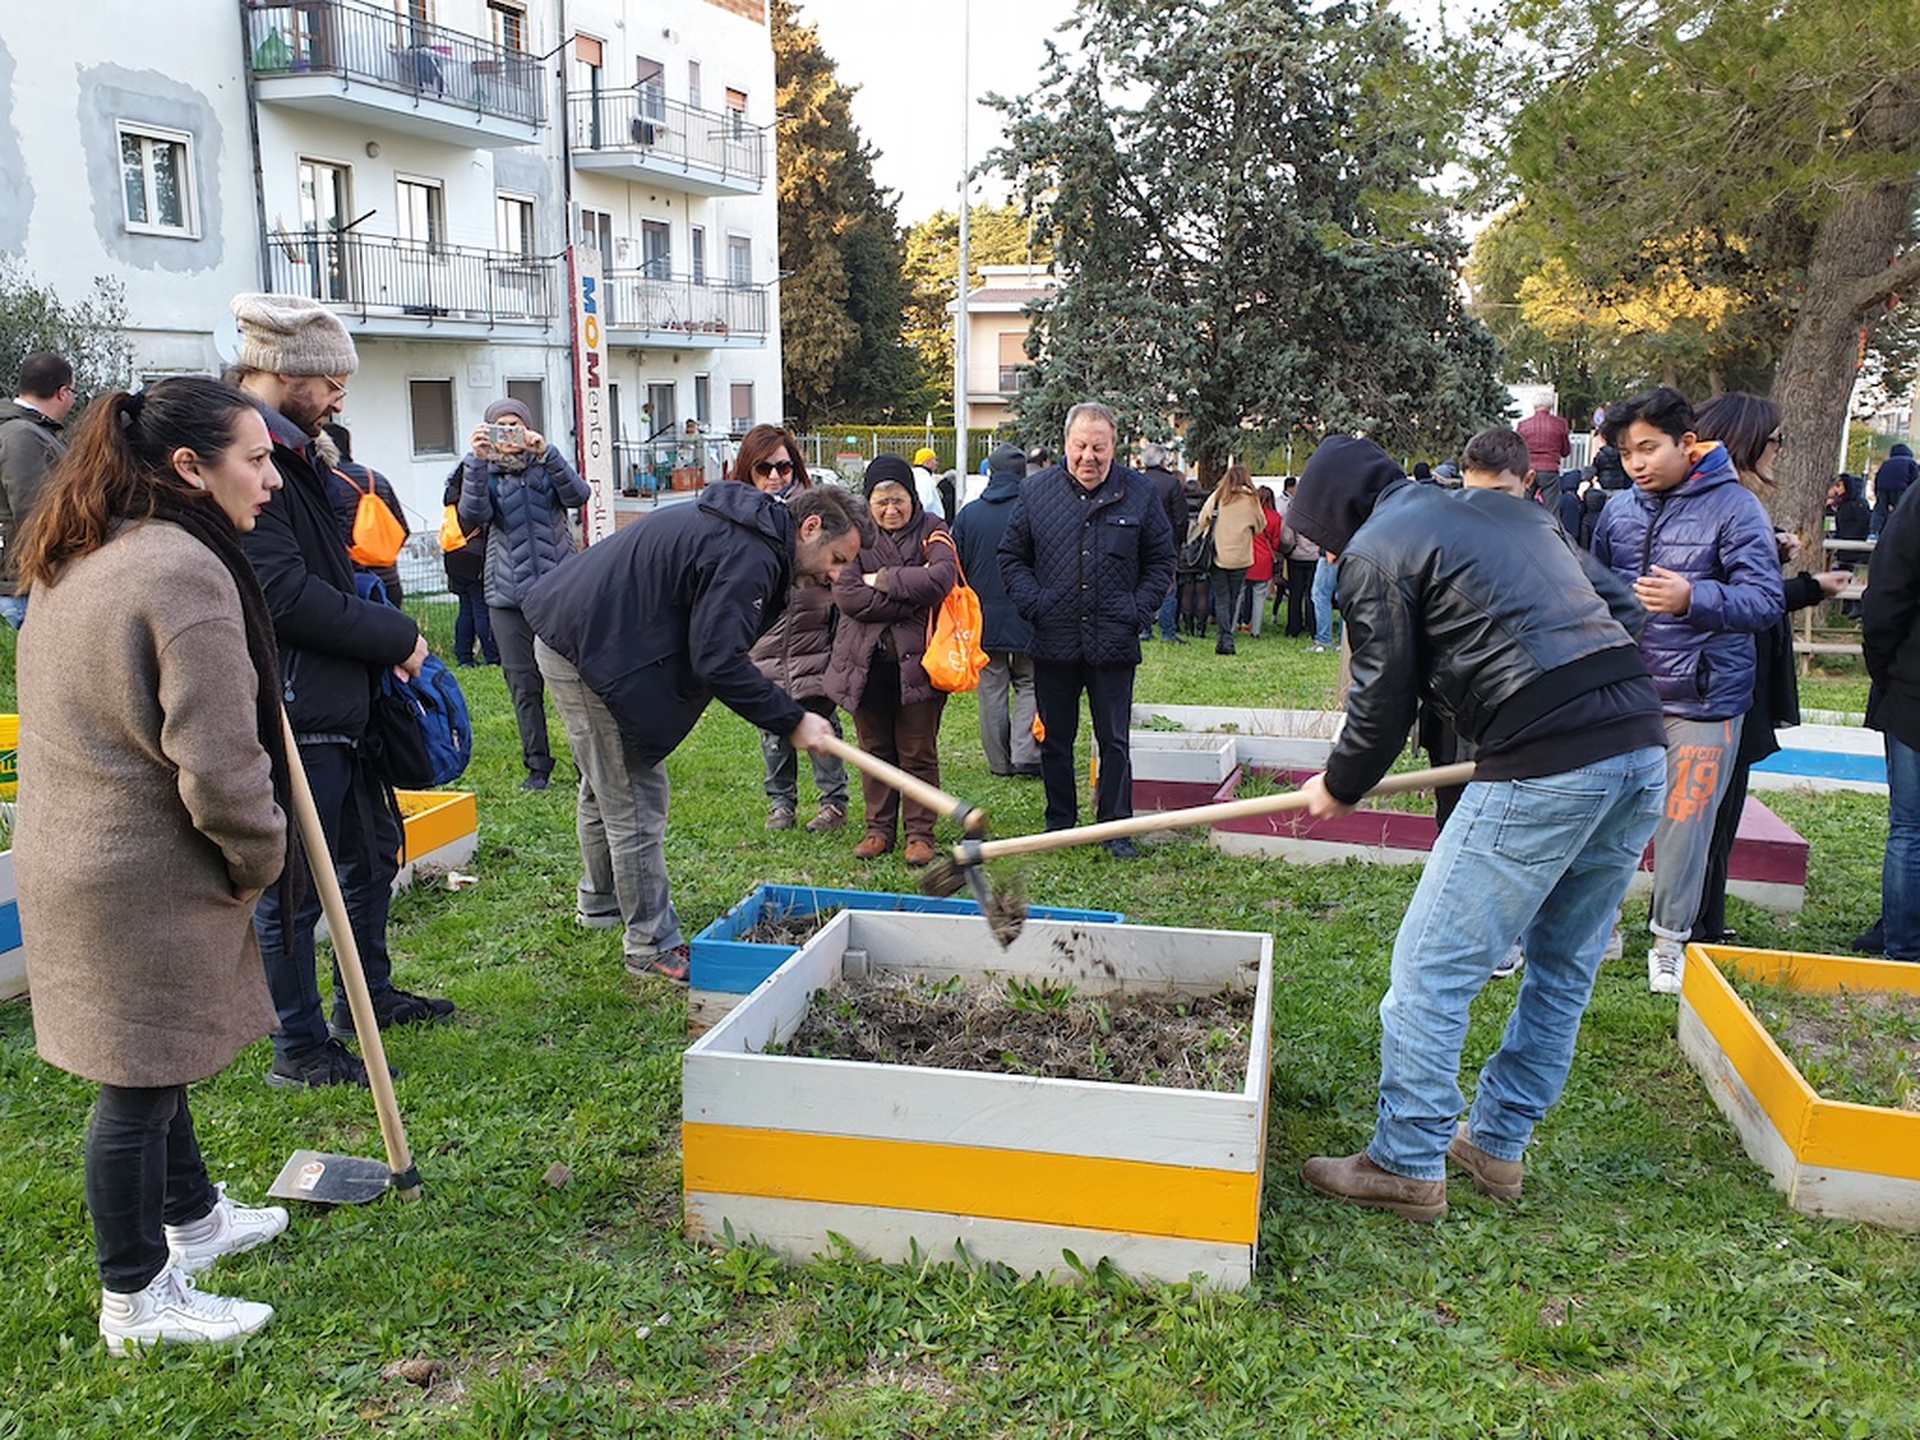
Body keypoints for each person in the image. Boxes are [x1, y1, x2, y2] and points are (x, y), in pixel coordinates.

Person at [1288, 435, 1666, 1223]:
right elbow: (1623, 610)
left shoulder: (1376, 548)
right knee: (1562, 966)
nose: (1326, 552)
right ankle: (1496, 1144)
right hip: (1637, 742)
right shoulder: (1510, 512)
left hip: (1546, 760)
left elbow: (1381, 700)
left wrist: (1340, 784)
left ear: (1336, 512)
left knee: (1430, 971)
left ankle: (1406, 1161)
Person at [15, 378, 294, 1351]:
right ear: (189, 467)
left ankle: (195, 1220)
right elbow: (219, 765)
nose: (271, 478)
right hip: (135, 870)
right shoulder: (181, 571)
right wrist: (260, 855)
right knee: (135, 1087)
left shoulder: (88, 543)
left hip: (76, 853)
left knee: (154, 1057)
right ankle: (136, 1298)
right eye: (255, 459)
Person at [229, 292, 450, 1089]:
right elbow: (281, 595)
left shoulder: (296, 454)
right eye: (330, 383)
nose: (339, 399)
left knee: (370, 855)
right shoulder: (248, 457)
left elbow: (325, 574)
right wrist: (394, 635)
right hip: (295, 706)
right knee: (296, 887)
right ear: (286, 373)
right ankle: (299, 1047)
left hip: (338, 702)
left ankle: (367, 998)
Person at [524, 482, 874, 980]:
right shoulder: (751, 552)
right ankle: (650, 944)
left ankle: (601, 904)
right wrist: (792, 719)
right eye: (837, 559)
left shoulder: (751, 533)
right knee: (635, 796)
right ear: (810, 527)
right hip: (587, 649)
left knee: (606, 785)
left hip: (581, 632)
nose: (836, 575)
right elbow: (719, 660)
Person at [1590, 386, 1783, 994]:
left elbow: (1765, 601)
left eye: (1648, 448)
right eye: (1626, 453)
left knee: (1686, 825)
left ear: (1687, 443)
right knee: (1606, 820)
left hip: (1705, 700)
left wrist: (1692, 597)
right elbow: (1595, 595)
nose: (1637, 464)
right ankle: (1601, 928)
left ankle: (1670, 941)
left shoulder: (1737, 508)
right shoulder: (1617, 513)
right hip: (1626, 697)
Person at [1689, 395, 1849, 945]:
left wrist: (1770, 555)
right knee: (1713, 807)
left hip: (1730, 671)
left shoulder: (1725, 502)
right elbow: (1729, 597)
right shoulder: (1724, 502)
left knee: (1718, 807)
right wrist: (1808, 587)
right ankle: (1694, 925)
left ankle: (1701, 919)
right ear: (1747, 440)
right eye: (1776, 439)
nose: (1780, 449)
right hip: (1722, 678)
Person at [998, 401, 1176, 855]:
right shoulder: (1035, 492)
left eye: (1099, 447)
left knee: (1114, 741)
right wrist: (1036, 603)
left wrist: (1137, 610)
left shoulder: (1139, 492)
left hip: (1114, 640)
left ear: (1114, 446)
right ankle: (1061, 823)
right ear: (1066, 444)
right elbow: (1012, 557)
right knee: (1055, 740)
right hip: (1053, 638)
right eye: (1080, 446)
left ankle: (1115, 828)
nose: (1088, 457)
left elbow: (1161, 560)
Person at [826, 455, 959, 866]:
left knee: (919, 752)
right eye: (881, 501)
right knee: (874, 750)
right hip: (865, 665)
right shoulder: (853, 537)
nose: (890, 509)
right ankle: (878, 830)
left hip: (919, 665)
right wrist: (911, 599)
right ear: (868, 502)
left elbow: (941, 579)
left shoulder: (933, 531)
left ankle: (920, 834)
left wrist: (882, 580)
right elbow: (848, 594)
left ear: (912, 498)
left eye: (898, 499)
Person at [456, 398, 590, 792]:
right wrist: (477, 461)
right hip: (507, 596)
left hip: (559, 593)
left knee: (574, 684)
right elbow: (473, 515)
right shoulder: (483, 470)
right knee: (524, 686)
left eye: (516, 424)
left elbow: (578, 496)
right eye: (501, 426)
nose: (510, 433)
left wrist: (547, 453)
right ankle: (537, 767)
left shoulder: (546, 465)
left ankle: (587, 765)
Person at [740, 426, 850, 833]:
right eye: (764, 467)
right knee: (774, 733)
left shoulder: (815, 518)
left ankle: (833, 803)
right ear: (748, 469)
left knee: (821, 727)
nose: (774, 476)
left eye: (783, 467)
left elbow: (839, 571)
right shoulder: (743, 520)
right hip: (767, 651)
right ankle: (781, 804)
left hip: (812, 645)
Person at [955, 442, 1042, 778]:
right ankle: (1025, 754)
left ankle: (999, 763)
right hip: (1026, 614)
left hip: (984, 618)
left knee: (991, 688)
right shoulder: (1035, 512)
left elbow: (957, 568)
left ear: (990, 472)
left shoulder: (970, 514)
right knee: (1030, 682)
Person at [1865, 459, 1920, 964]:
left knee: (1909, 827)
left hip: (1913, 685)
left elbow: (1887, 590)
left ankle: (1904, 949)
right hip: (1910, 684)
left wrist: (1885, 668)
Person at [0, 350, 77, 628]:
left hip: (26, 582)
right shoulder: (22, 436)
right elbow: (34, 513)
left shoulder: (34, 432)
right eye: (73, 393)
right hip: (22, 588)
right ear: (62, 393)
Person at [317, 421, 409, 604]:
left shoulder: (327, 483)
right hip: (390, 579)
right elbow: (402, 528)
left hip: (357, 584)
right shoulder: (378, 479)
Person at [1194, 464, 1263, 655]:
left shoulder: (1218, 496)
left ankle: (1225, 637)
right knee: (1234, 597)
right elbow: (1260, 525)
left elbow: (1202, 519)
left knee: (1222, 598)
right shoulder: (1252, 499)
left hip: (1219, 554)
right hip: (1241, 556)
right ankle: (1227, 636)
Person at [442, 464, 499, 667]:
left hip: (453, 554)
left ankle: (464, 656)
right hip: (474, 556)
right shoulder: (474, 498)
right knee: (481, 607)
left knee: (465, 608)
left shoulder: (451, 495)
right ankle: (492, 657)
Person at [1137, 442, 1189, 643]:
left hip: (1138, 541)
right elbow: (1180, 517)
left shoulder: (1136, 481)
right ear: (1163, 461)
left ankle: (1144, 629)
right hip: (1165, 542)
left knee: (1142, 584)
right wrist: (1179, 540)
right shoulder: (1172, 483)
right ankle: (1168, 631)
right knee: (1168, 587)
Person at [1280, 477, 1320, 639]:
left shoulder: (1294, 507)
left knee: (1295, 593)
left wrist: (1289, 549)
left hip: (1296, 556)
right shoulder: (1320, 509)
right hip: (1315, 556)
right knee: (1312, 593)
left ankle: (1294, 627)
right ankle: (1313, 625)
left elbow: (1286, 535)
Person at [1517, 397, 1572, 515]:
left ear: (1534, 407)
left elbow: (1518, 449)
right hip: (1550, 469)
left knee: (1523, 506)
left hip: (1528, 469)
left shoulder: (1523, 425)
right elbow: (1566, 451)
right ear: (1550, 407)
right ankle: (1549, 526)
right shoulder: (1560, 424)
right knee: (1551, 509)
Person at [1245, 485, 1285, 639]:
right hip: (1264, 560)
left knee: (1239, 594)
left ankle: (1233, 625)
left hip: (1247, 556)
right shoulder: (1275, 517)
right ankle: (1256, 631)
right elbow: (1276, 542)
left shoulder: (1249, 514)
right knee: (1259, 597)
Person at [1871, 443, 1917, 538]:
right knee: (1901, 510)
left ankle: (1873, 532)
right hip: (1900, 487)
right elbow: (1915, 480)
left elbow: (1878, 477)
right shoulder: (1910, 462)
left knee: (1880, 510)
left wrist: (1877, 492)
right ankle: (1898, 535)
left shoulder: (1886, 463)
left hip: (1882, 488)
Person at [1829, 473, 1871, 542]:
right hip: (1842, 538)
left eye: (1839, 486)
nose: (1836, 489)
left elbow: (1862, 523)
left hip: (1853, 540)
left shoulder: (1857, 503)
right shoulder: (1840, 502)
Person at [911, 446, 943, 517]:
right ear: (926, 462)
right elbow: (925, 502)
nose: (936, 463)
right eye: (934, 460)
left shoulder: (913, 476)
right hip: (930, 520)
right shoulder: (925, 479)